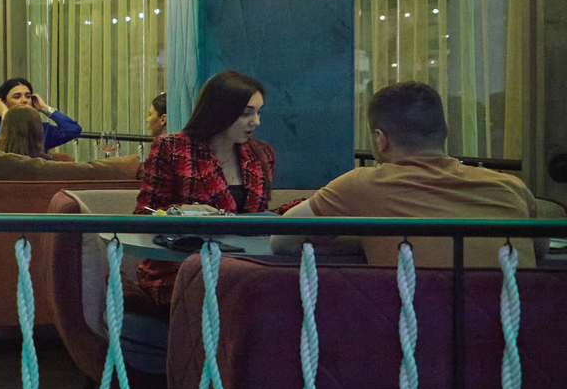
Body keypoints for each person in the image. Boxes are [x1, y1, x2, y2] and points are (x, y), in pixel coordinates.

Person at [278, 81, 538, 267]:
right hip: (514, 326)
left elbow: (282, 239)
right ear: (445, 130)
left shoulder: (361, 185)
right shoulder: (511, 186)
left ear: (380, 139)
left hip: (416, 326)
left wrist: (366, 237)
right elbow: (539, 249)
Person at [132, 70, 274, 308]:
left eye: (259, 112)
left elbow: (258, 218)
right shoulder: (172, 148)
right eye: (246, 113)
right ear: (219, 111)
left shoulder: (261, 153)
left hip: (243, 265)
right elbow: (144, 215)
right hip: (181, 266)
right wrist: (183, 211)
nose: (256, 121)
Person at [0, 79, 81, 152]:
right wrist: (6, 116)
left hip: (35, 175)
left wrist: (45, 108)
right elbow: (0, 146)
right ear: (3, 103)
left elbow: (73, 129)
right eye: (17, 97)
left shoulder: (40, 130)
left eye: (28, 96)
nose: (24, 100)